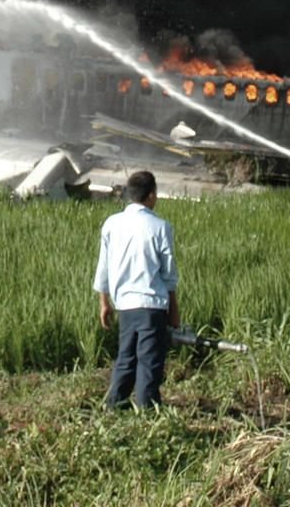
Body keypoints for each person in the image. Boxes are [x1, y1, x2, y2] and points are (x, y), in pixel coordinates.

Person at [93, 170, 179, 409]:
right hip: (152, 307)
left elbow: (104, 267)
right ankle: (147, 415)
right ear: (151, 195)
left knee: (126, 359)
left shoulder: (112, 224)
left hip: (125, 307)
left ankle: (114, 408)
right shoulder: (160, 226)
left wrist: (104, 303)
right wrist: (174, 310)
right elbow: (168, 274)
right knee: (149, 364)